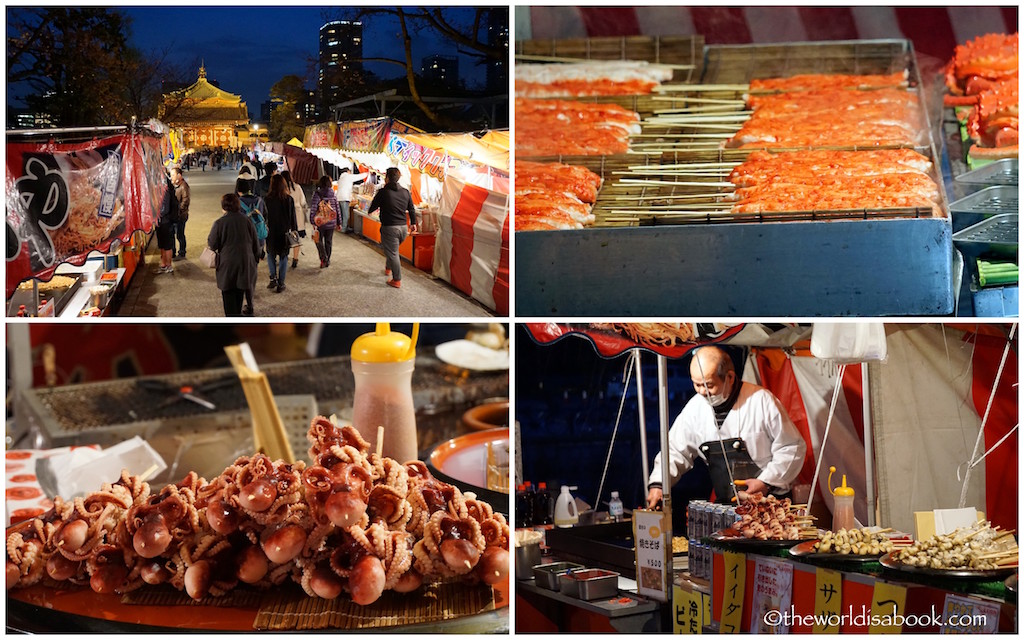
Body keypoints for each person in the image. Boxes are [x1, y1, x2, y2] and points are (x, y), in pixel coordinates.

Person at [646, 345, 807, 508]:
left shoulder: (761, 400)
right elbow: (675, 451)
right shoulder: (695, 408)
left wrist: (766, 481)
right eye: (697, 384)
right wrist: (658, 484)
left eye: (708, 385)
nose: (702, 392)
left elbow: (792, 447)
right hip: (727, 506)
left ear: (729, 377)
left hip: (770, 502)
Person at [208, 193, 260, 317]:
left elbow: (212, 243)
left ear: (224, 207)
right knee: (239, 294)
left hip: (227, 265)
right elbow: (255, 243)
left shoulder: (219, 223)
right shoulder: (247, 220)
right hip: (244, 263)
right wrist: (255, 259)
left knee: (228, 296)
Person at [367, 167, 417, 289]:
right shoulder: (405, 192)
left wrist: (370, 211)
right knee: (392, 250)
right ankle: (388, 268)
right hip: (403, 229)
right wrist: (413, 223)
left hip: (390, 228)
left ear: (387, 178)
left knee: (393, 253)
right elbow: (411, 208)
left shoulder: (383, 192)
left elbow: (373, 206)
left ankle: (396, 279)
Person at [263, 174, 297, 293]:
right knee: (283, 257)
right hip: (284, 232)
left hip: (271, 232)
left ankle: (273, 278)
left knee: (271, 255)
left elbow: (264, 217)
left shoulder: (266, 199)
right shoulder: (288, 199)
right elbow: (293, 218)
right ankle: (281, 283)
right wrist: (295, 231)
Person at [309, 175, 340, 269]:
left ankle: (324, 258)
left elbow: (314, 208)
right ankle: (327, 259)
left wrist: (312, 220)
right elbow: (337, 209)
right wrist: (339, 222)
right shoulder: (333, 194)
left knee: (318, 240)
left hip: (320, 222)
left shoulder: (317, 194)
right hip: (331, 222)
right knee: (328, 241)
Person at [282, 170, 308, 269]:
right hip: (297, 215)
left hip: (285, 215)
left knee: (285, 236)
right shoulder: (297, 187)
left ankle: (285, 256)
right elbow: (303, 202)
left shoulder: (282, 189)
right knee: (295, 237)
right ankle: (295, 259)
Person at [334, 166, 368, 233]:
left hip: (339, 197)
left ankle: (340, 227)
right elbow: (358, 177)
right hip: (344, 198)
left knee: (341, 214)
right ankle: (343, 229)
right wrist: (367, 173)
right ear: (348, 171)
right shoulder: (347, 176)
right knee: (346, 215)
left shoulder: (341, 178)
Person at [155, 174, 178, 274]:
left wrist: (156, 213)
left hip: (165, 221)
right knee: (162, 244)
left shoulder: (165, 191)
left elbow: (164, 209)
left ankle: (169, 265)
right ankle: (163, 264)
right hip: (160, 221)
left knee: (167, 245)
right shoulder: (161, 191)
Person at [170, 167, 190, 260]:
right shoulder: (173, 185)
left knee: (180, 235)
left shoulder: (184, 186)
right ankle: (172, 251)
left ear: (179, 175)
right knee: (172, 234)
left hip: (180, 216)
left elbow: (186, 200)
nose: (171, 177)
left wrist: (179, 211)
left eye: (173, 175)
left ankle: (182, 251)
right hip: (173, 215)